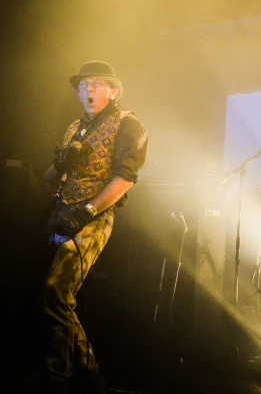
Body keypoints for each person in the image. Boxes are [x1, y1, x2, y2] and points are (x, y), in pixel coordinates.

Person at [39, 61, 148, 394]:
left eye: (97, 84)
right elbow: (49, 181)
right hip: (62, 215)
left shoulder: (128, 123)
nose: (88, 90)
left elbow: (126, 177)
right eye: (84, 84)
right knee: (60, 299)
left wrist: (88, 210)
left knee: (55, 291)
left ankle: (60, 378)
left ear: (113, 91)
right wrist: (58, 167)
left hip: (94, 218)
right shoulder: (74, 128)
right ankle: (89, 375)